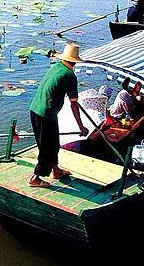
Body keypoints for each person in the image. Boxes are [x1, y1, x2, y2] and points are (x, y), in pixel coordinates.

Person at [29, 43, 89, 187]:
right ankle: (35, 178)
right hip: (46, 114)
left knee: (51, 144)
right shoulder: (70, 75)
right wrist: (81, 127)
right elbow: (74, 105)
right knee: (48, 148)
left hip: (34, 109)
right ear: (75, 61)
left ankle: (56, 170)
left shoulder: (56, 67)